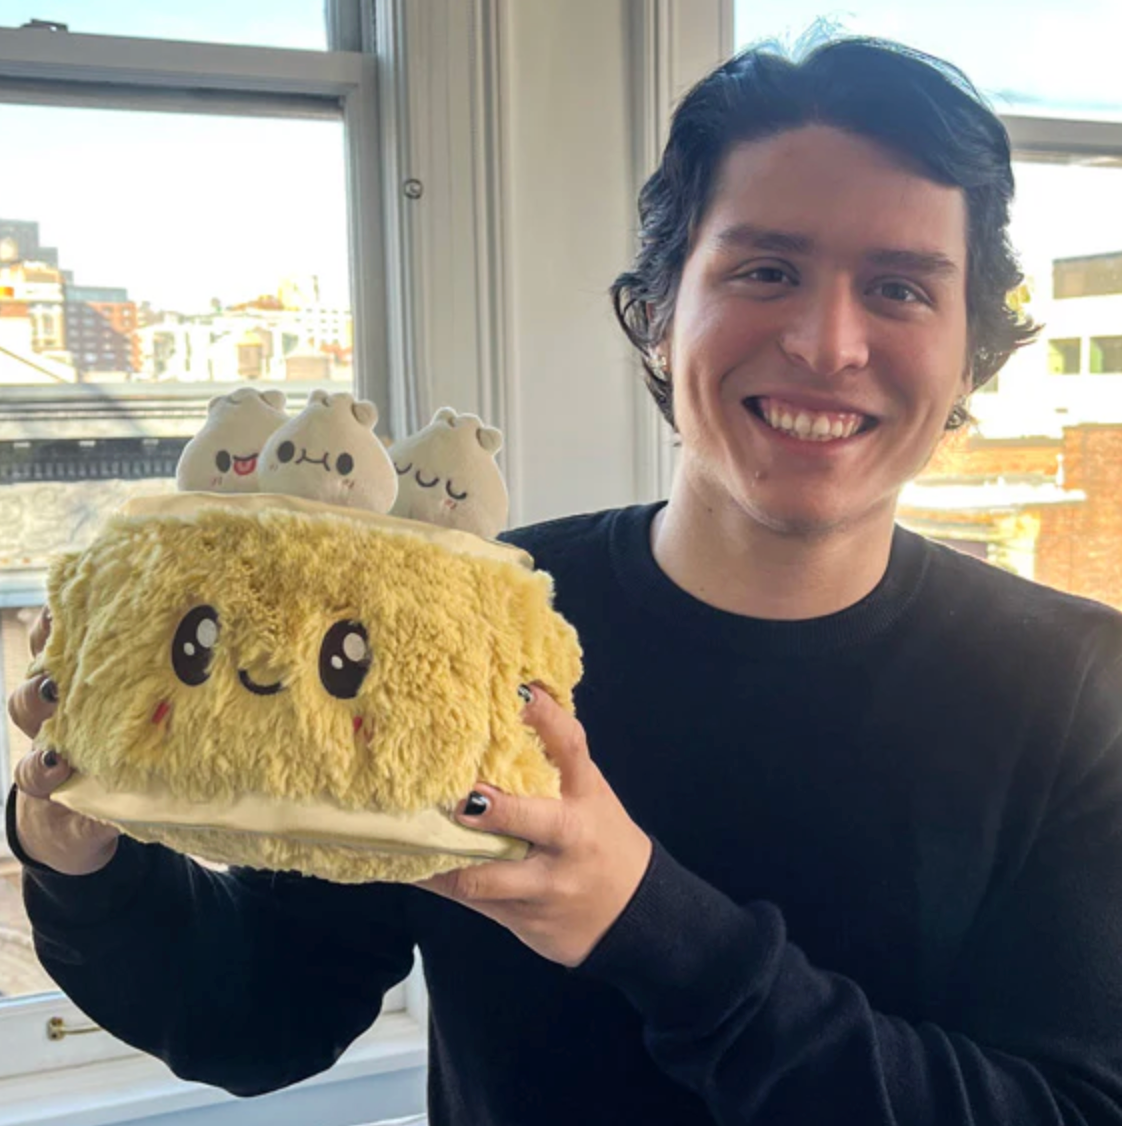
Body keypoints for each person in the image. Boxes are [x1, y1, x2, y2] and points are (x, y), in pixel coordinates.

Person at [8, 36, 1122, 1124]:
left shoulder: (1080, 689)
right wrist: (84, 857)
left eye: (899, 288)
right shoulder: (460, 615)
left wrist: (648, 922)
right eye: (766, 270)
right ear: (656, 312)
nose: (829, 343)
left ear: (973, 346)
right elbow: (260, 1017)